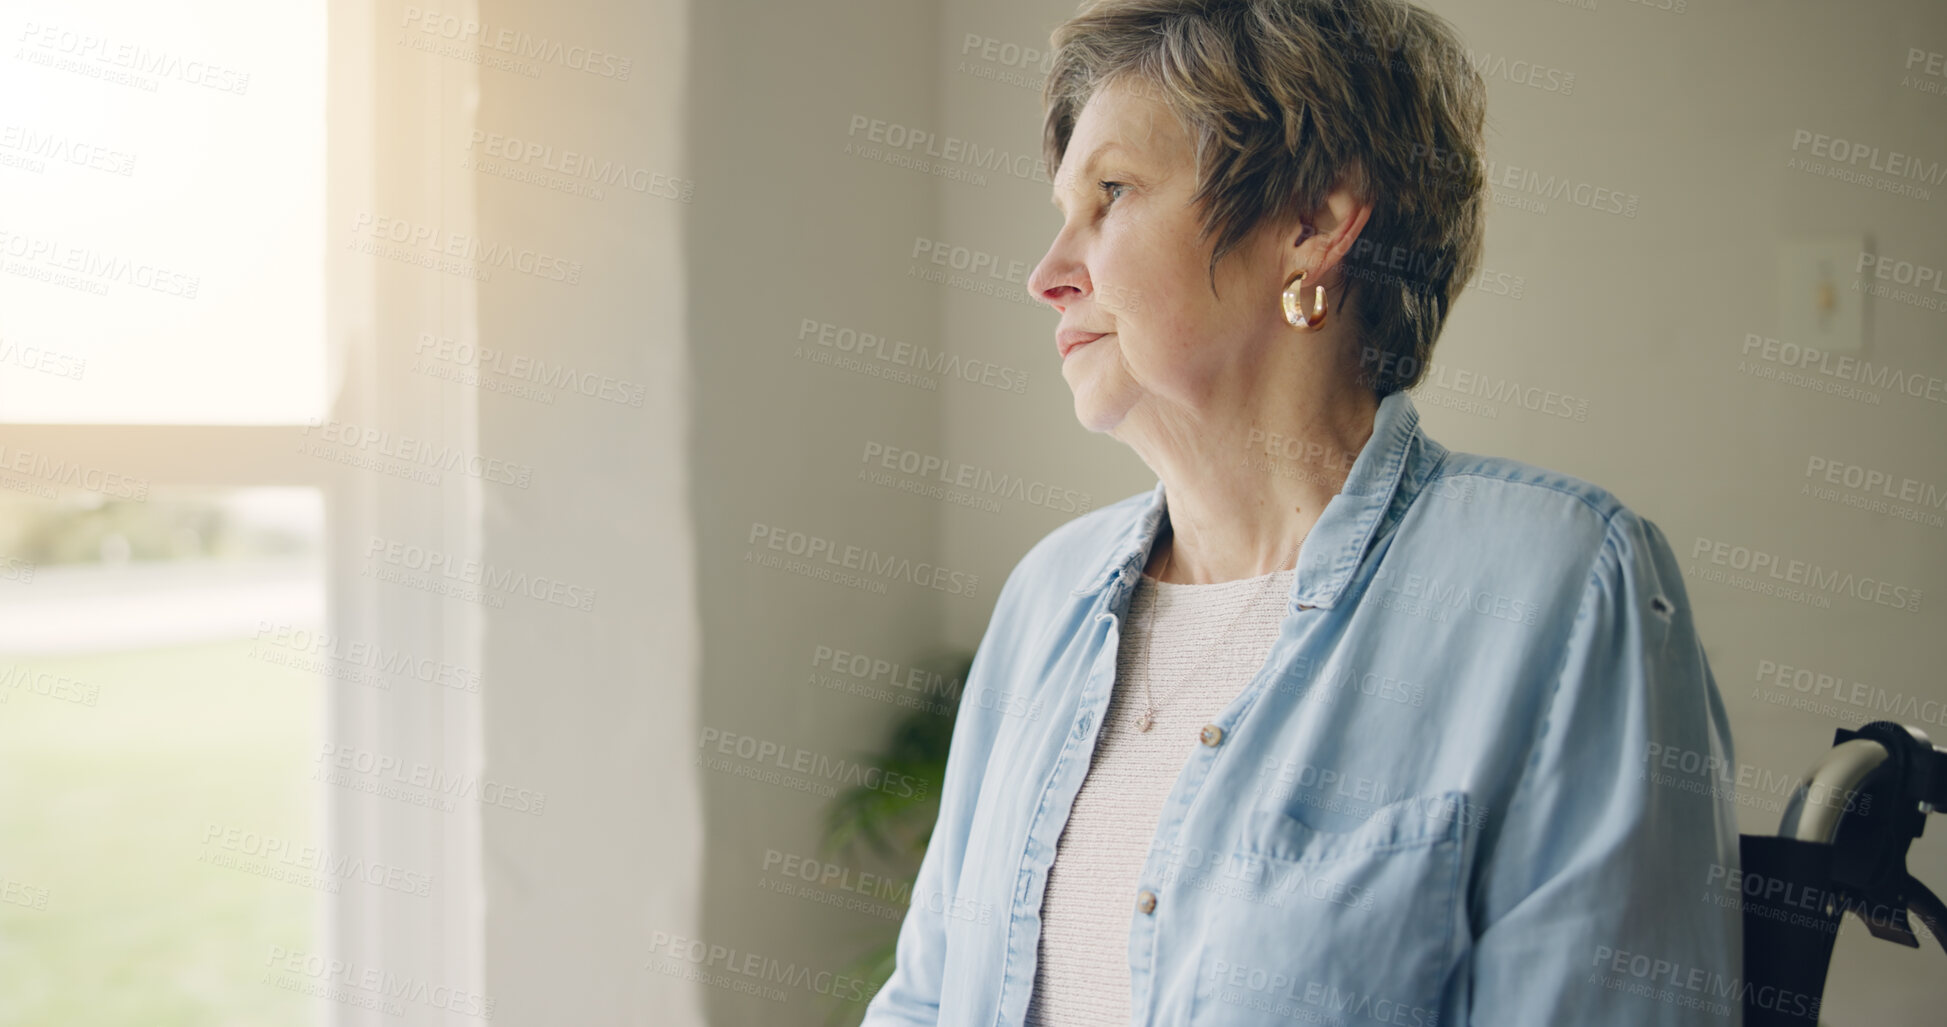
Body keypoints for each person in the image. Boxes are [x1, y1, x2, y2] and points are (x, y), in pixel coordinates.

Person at [860, 1, 1741, 1024]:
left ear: (1315, 226)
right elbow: (923, 1003)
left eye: (1112, 193)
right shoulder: (1044, 599)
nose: (1049, 274)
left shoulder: (1560, 586)